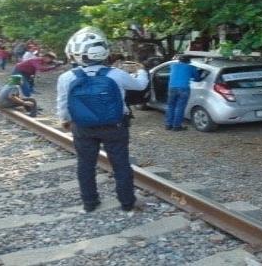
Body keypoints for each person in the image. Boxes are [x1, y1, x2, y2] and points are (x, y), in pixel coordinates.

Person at [57, 27, 149, 212]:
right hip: (115, 126)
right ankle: (127, 203)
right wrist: (141, 71)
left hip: (83, 127)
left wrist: (65, 120)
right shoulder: (116, 74)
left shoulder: (66, 77)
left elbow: (62, 103)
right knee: (121, 164)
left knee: (85, 165)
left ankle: (90, 203)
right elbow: (140, 86)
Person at [164, 55, 200, 131]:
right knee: (179, 107)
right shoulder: (191, 67)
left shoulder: (173, 66)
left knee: (170, 106)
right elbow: (197, 78)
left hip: (172, 88)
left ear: (179, 61)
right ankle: (176, 126)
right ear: (188, 61)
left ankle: (168, 125)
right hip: (183, 88)